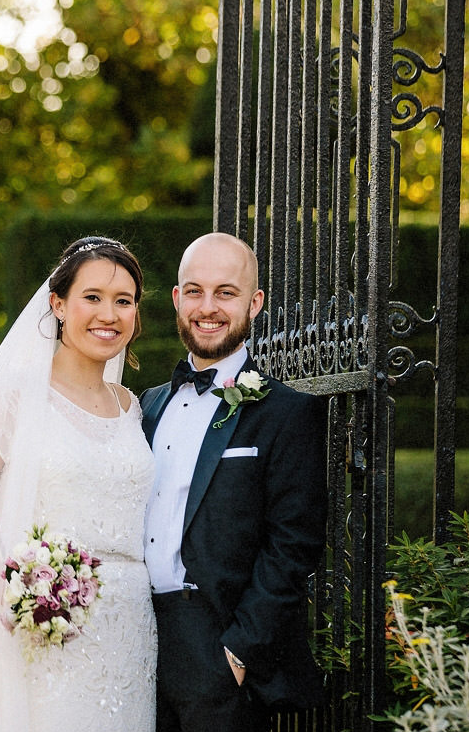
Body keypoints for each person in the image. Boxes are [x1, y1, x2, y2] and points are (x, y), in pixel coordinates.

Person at [0, 236, 158, 732]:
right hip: (50, 632)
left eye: (124, 301)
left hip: (132, 632)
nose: (109, 313)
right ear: (58, 304)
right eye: (93, 297)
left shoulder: (132, 408)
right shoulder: (9, 399)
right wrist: (22, 595)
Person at [140, 232, 328, 731]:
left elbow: (294, 543)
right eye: (195, 291)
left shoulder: (287, 412)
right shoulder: (146, 406)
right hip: (134, 639)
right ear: (177, 299)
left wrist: (238, 653)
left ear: (255, 302)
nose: (209, 307)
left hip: (218, 643)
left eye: (226, 292)